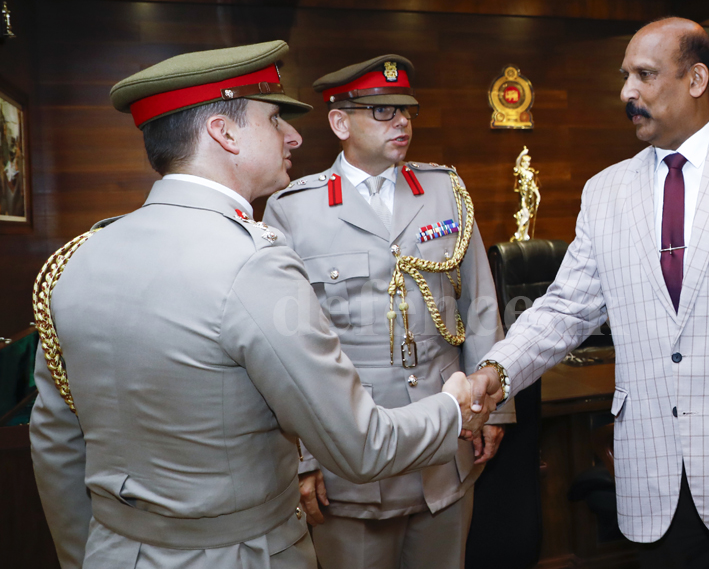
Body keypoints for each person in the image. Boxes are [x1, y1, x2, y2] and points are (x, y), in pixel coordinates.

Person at [29, 41, 498, 569]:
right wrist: (457, 409)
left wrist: (88, 555)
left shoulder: (74, 261)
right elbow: (359, 444)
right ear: (223, 133)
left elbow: (56, 443)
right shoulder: (254, 262)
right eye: (274, 119)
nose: (294, 135)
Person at [469, 18, 709, 569]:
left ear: (696, 78)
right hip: (655, 490)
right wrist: (495, 372)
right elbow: (563, 309)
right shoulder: (604, 191)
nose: (626, 92)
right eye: (625, 76)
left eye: (645, 75)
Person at [262, 54, 512, 569]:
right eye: (381, 111)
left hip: (448, 445)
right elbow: (285, 352)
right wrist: (302, 459)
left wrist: (493, 407)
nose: (401, 122)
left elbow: (481, 303)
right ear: (339, 122)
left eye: (406, 111)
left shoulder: (444, 189)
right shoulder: (293, 208)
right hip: (352, 464)